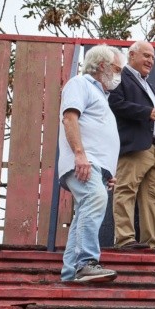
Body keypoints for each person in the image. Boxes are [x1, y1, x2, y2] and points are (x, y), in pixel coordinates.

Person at [109, 41, 155, 249]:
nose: (151, 60)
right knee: (126, 190)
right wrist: (146, 112)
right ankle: (125, 239)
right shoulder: (120, 77)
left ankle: (151, 244)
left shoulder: (149, 85)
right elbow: (114, 104)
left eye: (152, 57)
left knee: (154, 198)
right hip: (134, 146)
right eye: (146, 55)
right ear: (131, 55)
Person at [58, 45, 124, 282]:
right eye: (117, 69)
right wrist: (79, 154)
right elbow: (70, 118)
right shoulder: (80, 84)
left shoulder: (101, 96)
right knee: (94, 199)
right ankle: (86, 263)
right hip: (85, 162)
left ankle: (70, 273)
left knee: (84, 213)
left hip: (95, 166)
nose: (119, 75)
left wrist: (106, 172)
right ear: (103, 66)